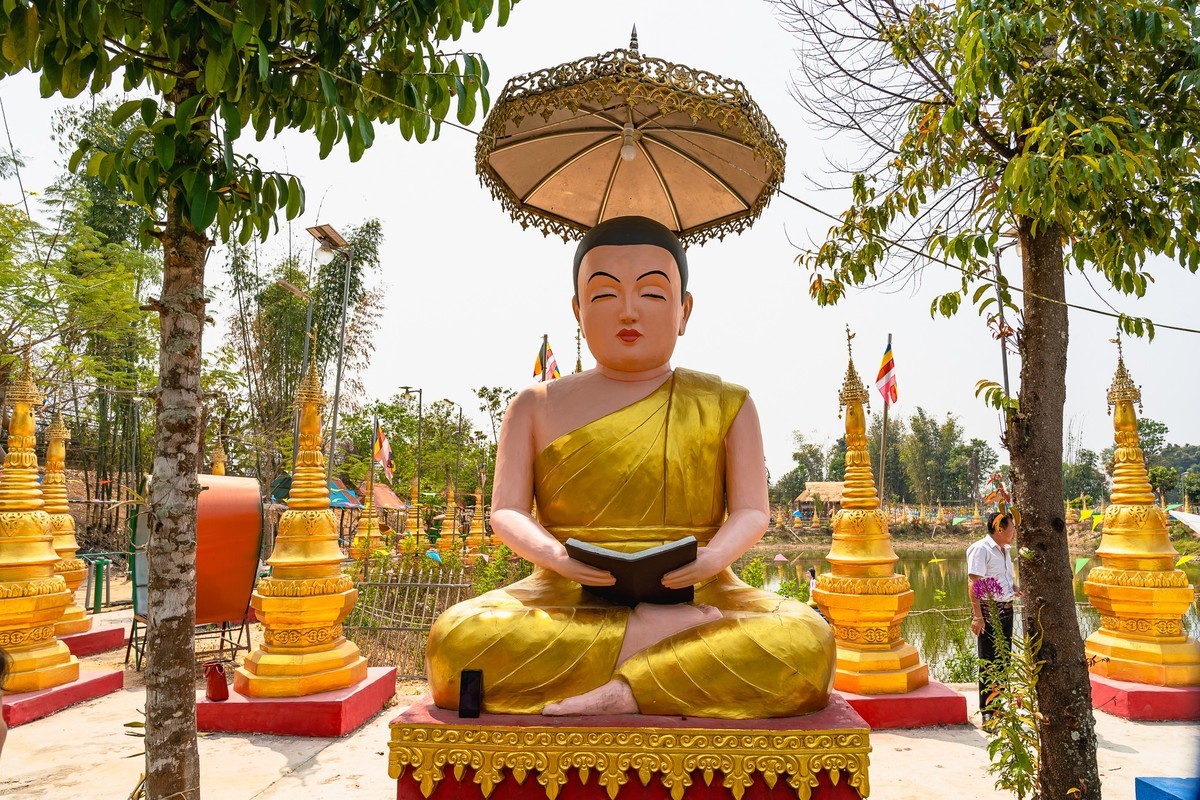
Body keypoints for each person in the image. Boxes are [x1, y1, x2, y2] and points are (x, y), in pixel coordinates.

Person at [425, 216, 835, 719]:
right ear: (578, 310)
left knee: (806, 643)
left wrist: (709, 561)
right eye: (603, 296)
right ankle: (656, 647)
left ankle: (626, 688)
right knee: (454, 642)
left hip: (701, 589)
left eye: (652, 294)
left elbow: (752, 510)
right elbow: (507, 511)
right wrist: (558, 558)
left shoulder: (725, 402)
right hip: (568, 590)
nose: (628, 312)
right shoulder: (534, 405)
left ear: (684, 310)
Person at [967, 511, 1018, 722]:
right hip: (989, 610)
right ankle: (987, 711)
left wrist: (1012, 587)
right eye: (1012, 528)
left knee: (1003, 658)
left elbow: (1000, 577)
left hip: (1006, 608)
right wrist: (978, 616)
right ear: (1000, 529)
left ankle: (999, 705)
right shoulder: (981, 549)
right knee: (988, 660)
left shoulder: (1005, 550)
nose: (1015, 532)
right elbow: (974, 583)